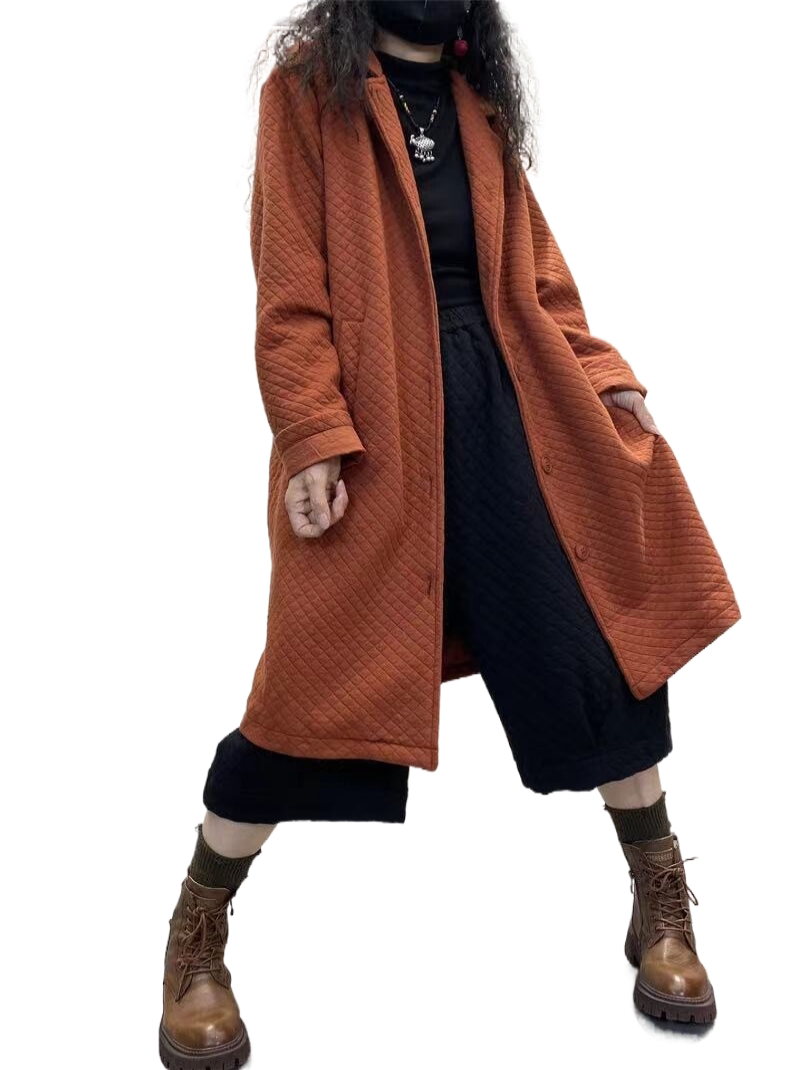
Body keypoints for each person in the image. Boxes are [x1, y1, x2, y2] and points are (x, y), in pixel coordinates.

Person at [160, 3, 740, 1066]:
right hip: (378, 424)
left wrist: (604, 376)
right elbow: (289, 294)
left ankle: (659, 901)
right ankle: (197, 934)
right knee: (309, 693)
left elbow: (539, 277)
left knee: (598, 648)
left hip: (514, 407)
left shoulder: (477, 97)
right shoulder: (307, 92)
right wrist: (312, 435)